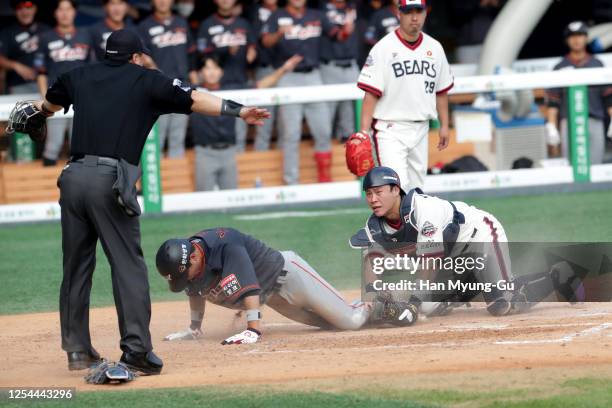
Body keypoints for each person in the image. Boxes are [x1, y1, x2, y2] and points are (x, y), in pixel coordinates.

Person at [21, 29, 270, 374]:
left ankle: (77, 350)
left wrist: (43, 112)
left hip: (72, 178)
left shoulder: (78, 74)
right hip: (109, 181)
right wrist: (239, 112)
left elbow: (46, 105)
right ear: (136, 57)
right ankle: (136, 351)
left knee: (76, 268)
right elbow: (195, 98)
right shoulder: (147, 80)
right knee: (128, 267)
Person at [350, 167, 583, 317]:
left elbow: (429, 261)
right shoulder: (375, 226)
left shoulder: (423, 210)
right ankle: (473, 284)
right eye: (368, 194)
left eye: (378, 192)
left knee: (502, 304)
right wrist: (372, 296)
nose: (373, 199)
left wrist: (413, 302)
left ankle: (558, 276)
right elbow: (373, 261)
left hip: (480, 235)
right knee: (434, 307)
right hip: (453, 255)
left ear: (395, 190)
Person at [156, 227, 417, 344]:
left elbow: (250, 287)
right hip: (275, 298)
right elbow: (195, 291)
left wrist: (253, 330)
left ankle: (380, 303)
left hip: (290, 275)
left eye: (184, 273)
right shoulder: (190, 266)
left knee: (350, 320)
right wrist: (194, 328)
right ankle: (381, 313)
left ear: (194, 256)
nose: (186, 280)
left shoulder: (224, 244)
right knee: (329, 325)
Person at [356, 0, 453, 191]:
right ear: (399, 13)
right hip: (390, 128)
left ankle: (410, 222)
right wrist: (363, 132)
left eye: (419, 11)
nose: (414, 18)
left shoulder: (435, 48)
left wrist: (444, 125)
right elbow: (371, 94)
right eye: (409, 12)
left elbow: (441, 91)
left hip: (421, 127)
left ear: (426, 13)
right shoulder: (383, 48)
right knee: (396, 187)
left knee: (416, 191)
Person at [192, 54, 302, 191]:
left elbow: (260, 85)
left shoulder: (232, 89)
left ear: (221, 71)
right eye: (207, 68)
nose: (212, 72)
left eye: (215, 67)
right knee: (204, 201)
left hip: (229, 152)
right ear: (200, 72)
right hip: (204, 153)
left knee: (231, 199)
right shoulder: (194, 93)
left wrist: (284, 69)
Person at [262, 0, 333, 184]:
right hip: (288, 76)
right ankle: (291, 181)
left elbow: (336, 35)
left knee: (323, 129)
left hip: (313, 75)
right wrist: (279, 33)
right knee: (291, 133)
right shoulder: (277, 15)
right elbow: (265, 42)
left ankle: (325, 179)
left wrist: (346, 28)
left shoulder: (316, 15)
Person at [545, 21, 612, 164]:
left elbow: (609, 97)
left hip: (594, 119)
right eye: (572, 36)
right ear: (567, 40)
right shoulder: (560, 66)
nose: (576, 40)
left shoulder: (596, 64)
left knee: (595, 165)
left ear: (586, 38)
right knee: (573, 166)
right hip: (569, 121)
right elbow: (553, 100)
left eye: (580, 35)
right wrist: (551, 126)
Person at [34, 0, 91, 166]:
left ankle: (80, 187)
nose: (65, 13)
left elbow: (94, 68)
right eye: (61, 9)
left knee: (81, 146)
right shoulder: (45, 38)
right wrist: (46, 99)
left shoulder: (86, 35)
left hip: (82, 98)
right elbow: (41, 71)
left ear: (75, 12)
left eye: (68, 9)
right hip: (56, 98)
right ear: (55, 13)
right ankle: (47, 187)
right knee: (54, 144)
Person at [138, 0, 197, 158]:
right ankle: (154, 181)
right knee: (156, 138)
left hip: (182, 86)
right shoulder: (144, 26)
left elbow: (191, 52)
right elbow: (140, 58)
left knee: (178, 138)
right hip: (158, 88)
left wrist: (193, 72)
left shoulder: (181, 22)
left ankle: (175, 177)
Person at [197, 0, 257, 152]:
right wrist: (225, 52)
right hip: (216, 85)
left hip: (240, 81)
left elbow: (253, 48)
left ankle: (238, 164)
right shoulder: (207, 25)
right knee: (216, 127)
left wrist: (252, 53)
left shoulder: (243, 24)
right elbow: (201, 56)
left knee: (240, 130)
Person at [320, 0, 360, 142]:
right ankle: (323, 141)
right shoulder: (322, 7)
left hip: (351, 64)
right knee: (328, 106)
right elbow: (338, 35)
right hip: (330, 65)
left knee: (350, 105)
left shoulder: (353, 6)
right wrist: (345, 31)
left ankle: (347, 138)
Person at [0, 0, 49, 95]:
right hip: (20, 86)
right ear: (15, 11)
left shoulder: (47, 30)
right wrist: (16, 66)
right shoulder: (7, 33)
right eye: (19, 8)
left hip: (48, 83)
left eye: (28, 7)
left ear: (34, 9)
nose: (24, 12)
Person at [251, 0, 279, 151]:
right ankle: (260, 154)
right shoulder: (253, 12)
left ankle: (283, 153)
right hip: (264, 69)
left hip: (286, 70)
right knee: (264, 118)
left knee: (287, 121)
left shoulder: (285, 12)